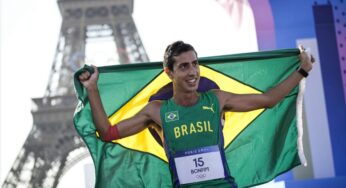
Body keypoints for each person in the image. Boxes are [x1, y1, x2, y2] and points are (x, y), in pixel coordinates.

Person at [78, 41, 314, 187]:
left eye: (195, 64)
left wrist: (302, 70)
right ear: (169, 72)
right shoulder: (157, 111)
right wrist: (92, 89)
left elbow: (269, 100)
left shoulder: (217, 99)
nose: (192, 72)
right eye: (183, 66)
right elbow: (107, 132)